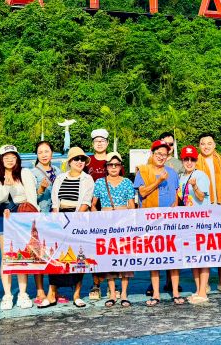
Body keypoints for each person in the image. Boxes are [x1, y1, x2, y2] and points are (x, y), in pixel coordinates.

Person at [39, 147, 93, 309]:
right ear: (70, 161)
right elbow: (55, 200)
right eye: (76, 159)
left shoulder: (87, 179)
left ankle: (76, 294)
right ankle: (51, 294)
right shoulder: (60, 178)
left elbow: (86, 201)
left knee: (78, 259)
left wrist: (74, 220)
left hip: (78, 219)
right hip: (60, 219)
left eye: (82, 159)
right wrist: (57, 219)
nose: (79, 162)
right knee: (56, 257)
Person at [0, 144, 38, 310]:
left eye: (13, 156)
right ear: (1, 160)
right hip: (5, 216)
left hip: (22, 214)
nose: (10, 160)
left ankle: (23, 293)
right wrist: (7, 184)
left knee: (21, 254)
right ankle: (7, 294)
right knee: (6, 256)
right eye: (6, 157)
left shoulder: (25, 173)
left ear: (17, 158)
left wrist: (34, 217)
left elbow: (31, 197)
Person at [134, 139, 180, 306]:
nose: (161, 157)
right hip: (151, 220)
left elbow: (176, 195)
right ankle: (156, 293)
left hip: (169, 221)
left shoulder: (172, 173)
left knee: (173, 257)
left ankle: (175, 292)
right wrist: (159, 181)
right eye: (158, 154)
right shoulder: (143, 171)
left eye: (164, 154)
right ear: (152, 154)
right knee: (154, 258)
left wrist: (174, 210)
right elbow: (143, 193)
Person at [91, 152, 136, 307]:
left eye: (116, 164)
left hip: (123, 222)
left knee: (125, 258)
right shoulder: (99, 183)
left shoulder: (127, 182)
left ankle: (123, 293)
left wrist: (130, 222)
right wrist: (98, 218)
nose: (114, 167)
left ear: (121, 166)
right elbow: (93, 204)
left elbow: (131, 204)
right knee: (109, 257)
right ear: (106, 167)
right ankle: (111, 293)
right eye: (110, 165)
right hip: (106, 222)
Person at [196, 133, 221, 293]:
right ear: (199, 146)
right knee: (202, 244)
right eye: (203, 143)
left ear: (215, 145)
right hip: (202, 207)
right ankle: (203, 283)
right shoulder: (194, 163)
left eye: (209, 143)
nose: (206, 146)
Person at [175, 145, 212, 304]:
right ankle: (198, 290)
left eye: (192, 159)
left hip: (201, 221)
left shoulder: (200, 175)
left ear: (196, 161)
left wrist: (195, 186)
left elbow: (201, 197)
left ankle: (203, 292)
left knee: (202, 256)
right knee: (193, 257)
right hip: (188, 222)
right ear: (182, 161)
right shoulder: (181, 177)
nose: (189, 162)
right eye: (186, 159)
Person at [84, 128, 110, 299]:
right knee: (94, 248)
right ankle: (96, 283)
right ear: (92, 144)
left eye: (102, 141)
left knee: (111, 247)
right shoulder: (87, 161)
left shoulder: (113, 159)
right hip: (92, 210)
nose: (99, 143)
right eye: (96, 141)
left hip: (110, 211)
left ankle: (112, 284)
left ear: (107, 143)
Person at [31, 140, 58, 303]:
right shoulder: (32, 173)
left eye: (46, 151)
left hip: (55, 218)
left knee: (54, 254)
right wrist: (40, 189)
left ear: (52, 153)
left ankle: (53, 291)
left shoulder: (58, 171)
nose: (44, 155)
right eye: (40, 152)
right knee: (38, 254)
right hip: (39, 216)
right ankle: (40, 290)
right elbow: (30, 198)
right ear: (37, 155)